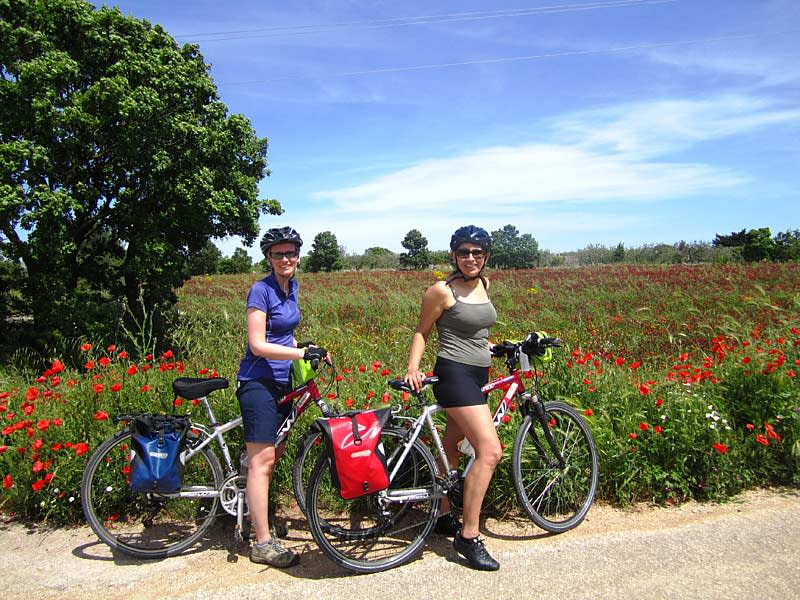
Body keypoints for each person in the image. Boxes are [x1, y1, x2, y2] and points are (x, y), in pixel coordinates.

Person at [403, 225, 502, 571]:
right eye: (464, 252)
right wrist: (413, 367)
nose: (470, 258)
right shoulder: (441, 292)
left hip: (478, 374)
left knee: (451, 444)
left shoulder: (485, 285)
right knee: (489, 451)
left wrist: (493, 347)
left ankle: (444, 513)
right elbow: (422, 331)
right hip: (454, 376)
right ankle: (468, 535)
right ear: (454, 256)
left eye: (477, 252)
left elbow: (477, 329)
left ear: (486, 256)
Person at [236, 226, 328, 568]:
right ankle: (261, 543)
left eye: (290, 253)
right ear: (268, 258)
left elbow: (285, 336)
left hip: (282, 380)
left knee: (273, 454)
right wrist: (301, 355)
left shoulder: (291, 287)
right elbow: (258, 344)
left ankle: (258, 518)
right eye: (278, 254)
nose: (285, 259)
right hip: (258, 379)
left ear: (298, 256)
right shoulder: (260, 291)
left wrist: (308, 347)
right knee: (263, 461)